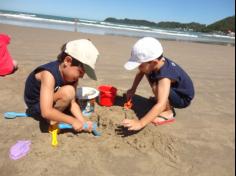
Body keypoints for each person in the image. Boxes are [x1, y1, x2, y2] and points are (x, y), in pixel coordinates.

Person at [24, 39, 99, 132]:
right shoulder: (48, 75)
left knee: (70, 92)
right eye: (80, 72)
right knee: (68, 91)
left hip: (52, 100)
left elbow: (72, 102)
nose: (82, 76)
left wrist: (82, 121)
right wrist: (73, 121)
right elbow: (46, 112)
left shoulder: (72, 77)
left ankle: (56, 115)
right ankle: (51, 120)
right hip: (37, 107)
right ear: (67, 61)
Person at [122, 37, 195, 131]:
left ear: (153, 62)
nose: (139, 68)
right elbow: (141, 72)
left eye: (140, 65)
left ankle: (168, 113)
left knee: (156, 87)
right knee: (148, 73)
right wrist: (133, 89)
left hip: (182, 98)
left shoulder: (165, 76)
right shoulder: (157, 62)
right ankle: (162, 97)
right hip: (173, 89)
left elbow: (160, 104)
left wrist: (140, 123)